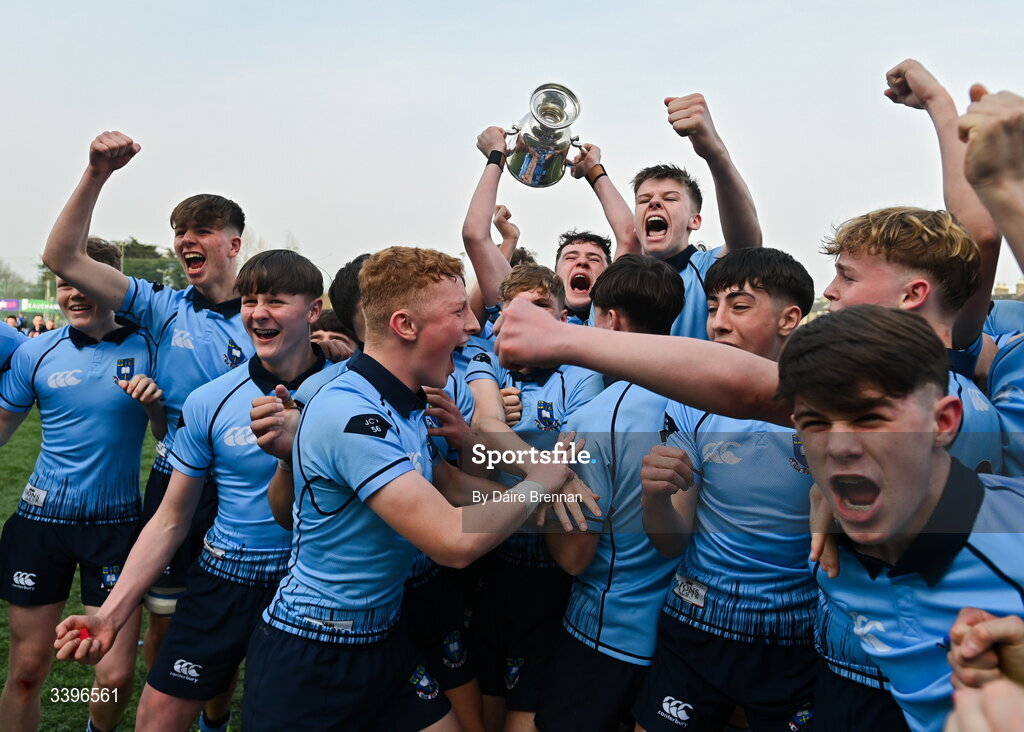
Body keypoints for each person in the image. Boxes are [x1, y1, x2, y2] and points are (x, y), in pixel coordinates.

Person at [241, 246, 589, 731]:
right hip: (313, 655)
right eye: (457, 311)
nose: (474, 325)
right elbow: (454, 541)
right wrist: (543, 478)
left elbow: (445, 481)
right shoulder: (353, 415)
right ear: (405, 326)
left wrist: (546, 504)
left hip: (384, 636)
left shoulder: (404, 402)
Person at [54, 250, 329, 732]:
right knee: (155, 719)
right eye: (250, 300)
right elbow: (170, 518)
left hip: (313, 583)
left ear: (313, 311)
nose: (258, 312)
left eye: (276, 301)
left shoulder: (352, 389)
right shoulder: (211, 399)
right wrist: (112, 617)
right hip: (227, 574)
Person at [41, 131, 253, 725]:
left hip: (247, 489)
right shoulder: (162, 305)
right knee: (166, 617)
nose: (188, 238)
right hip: (175, 481)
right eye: (181, 230)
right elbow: (63, 258)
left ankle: (213, 719)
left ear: (234, 243)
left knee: (236, 618)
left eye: (204, 228)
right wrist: (96, 174)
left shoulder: (268, 311)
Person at [780, 305, 1024, 732]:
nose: (838, 447)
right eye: (816, 423)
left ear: (943, 422)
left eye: (871, 418)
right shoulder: (830, 551)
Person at [631, 248, 818, 732]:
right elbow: (671, 539)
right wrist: (653, 495)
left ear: (789, 318)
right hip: (696, 628)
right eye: (713, 307)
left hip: (796, 639)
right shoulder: (691, 403)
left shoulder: (830, 404)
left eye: (739, 306)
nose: (717, 323)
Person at [0, 238, 164, 732]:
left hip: (116, 529)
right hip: (40, 525)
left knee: (112, 674)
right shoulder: (35, 351)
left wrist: (155, 405)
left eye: (85, 281)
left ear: (109, 285)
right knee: (28, 670)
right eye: (65, 282)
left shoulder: (148, 345)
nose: (74, 293)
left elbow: (166, 434)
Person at [531, 254, 685, 731]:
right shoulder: (705, 395)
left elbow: (577, 553)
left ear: (610, 319)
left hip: (608, 631)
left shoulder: (597, 417)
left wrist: (542, 502)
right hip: (683, 634)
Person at [465, 263, 604, 732]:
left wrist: (511, 447)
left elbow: (578, 451)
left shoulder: (581, 373)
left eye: (541, 306)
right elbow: (474, 446)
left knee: (529, 704)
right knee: (485, 697)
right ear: (498, 321)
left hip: (553, 566)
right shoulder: (482, 361)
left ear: (564, 319)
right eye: (515, 308)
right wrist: (547, 468)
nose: (527, 318)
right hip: (489, 558)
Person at [570, 93, 763, 339]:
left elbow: (746, 245)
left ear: (695, 220)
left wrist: (714, 153)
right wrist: (593, 170)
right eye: (643, 200)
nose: (654, 203)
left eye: (670, 198)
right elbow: (627, 235)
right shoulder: (615, 281)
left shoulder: (707, 269)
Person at [463, 127, 612, 328]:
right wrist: (496, 155)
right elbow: (475, 235)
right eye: (570, 257)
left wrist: (594, 169)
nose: (582, 262)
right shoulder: (517, 318)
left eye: (594, 259)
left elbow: (629, 237)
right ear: (555, 274)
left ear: (609, 274)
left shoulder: (611, 325)